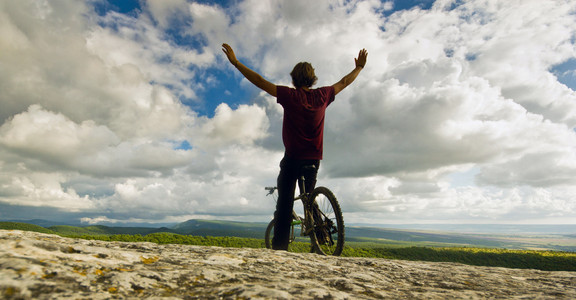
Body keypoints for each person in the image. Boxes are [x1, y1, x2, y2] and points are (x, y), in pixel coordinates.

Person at [222, 43, 367, 250]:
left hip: (292, 159)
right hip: (314, 158)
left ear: (294, 78)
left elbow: (260, 81)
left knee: (284, 203)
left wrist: (236, 63)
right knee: (309, 198)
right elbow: (344, 82)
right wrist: (359, 68)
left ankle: (279, 248)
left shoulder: (290, 96)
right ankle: (321, 238)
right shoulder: (323, 95)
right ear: (312, 79)